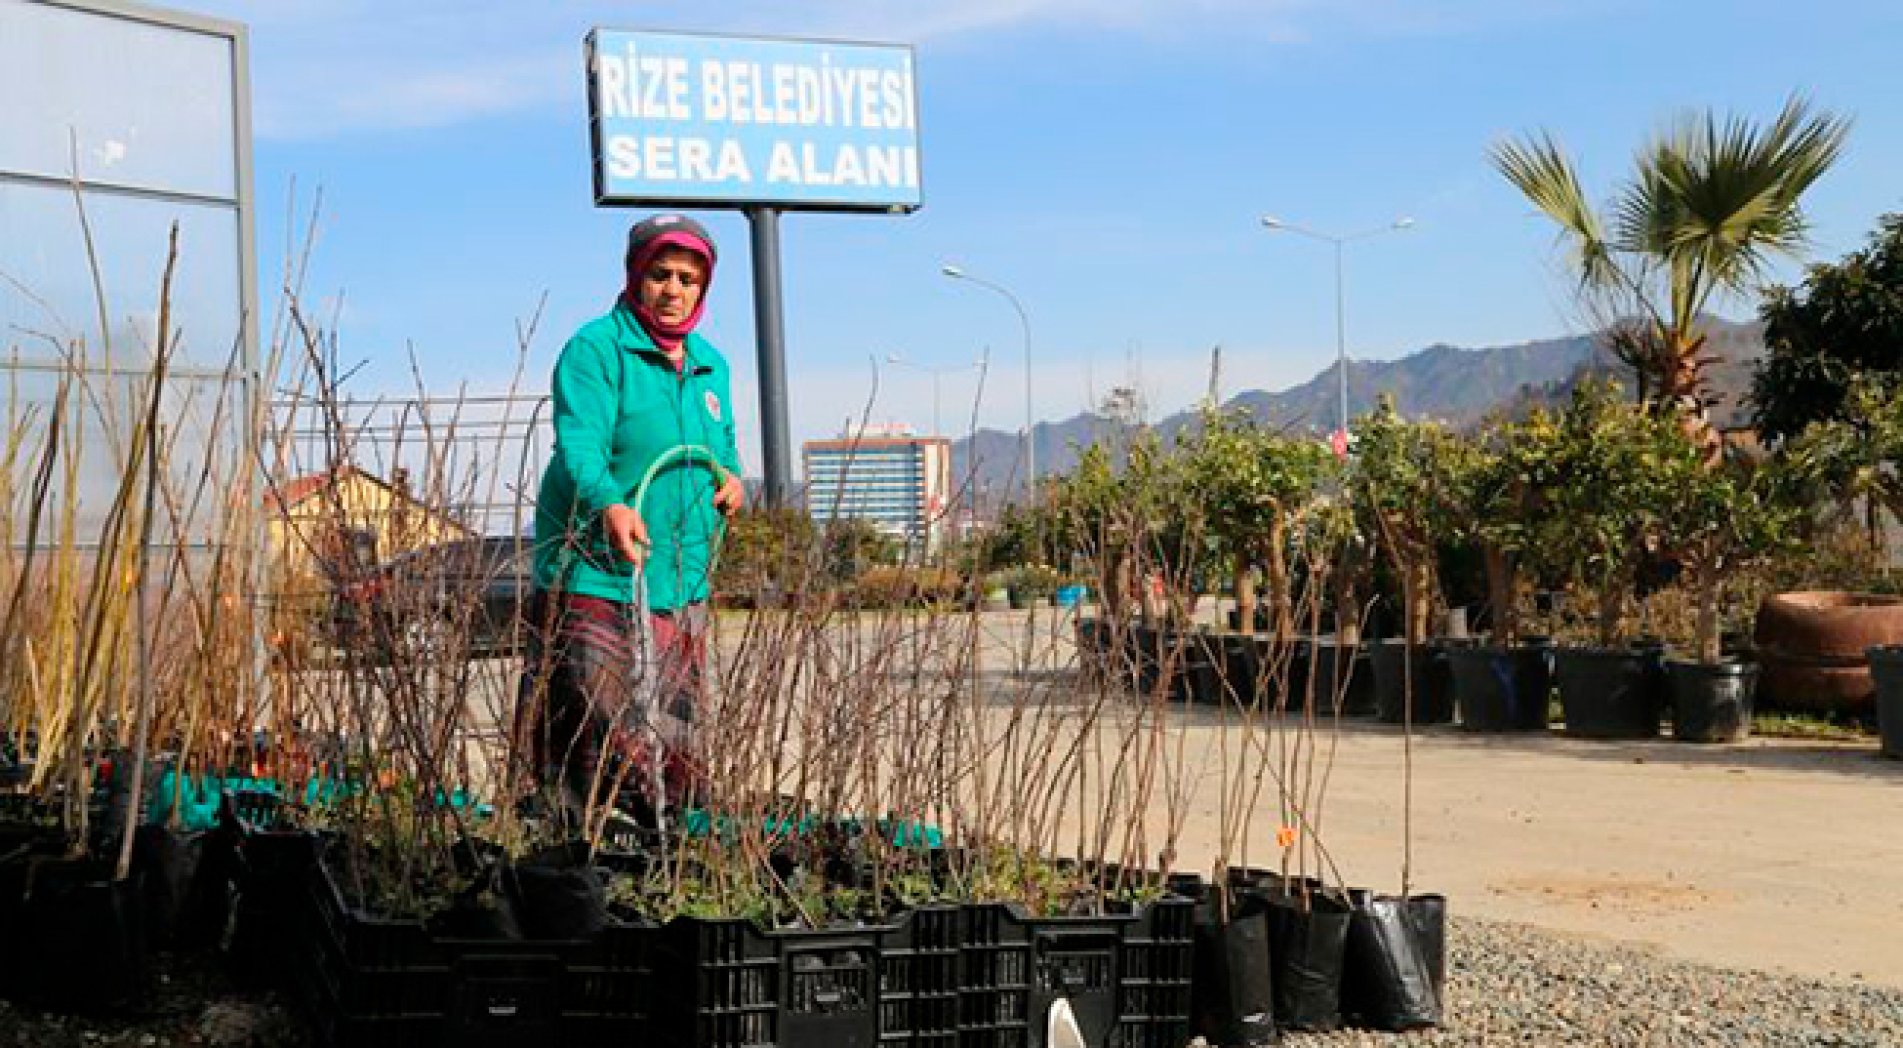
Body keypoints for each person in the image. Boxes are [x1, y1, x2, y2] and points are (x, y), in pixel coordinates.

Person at [520, 213, 743, 824]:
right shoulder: (596, 350)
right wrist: (611, 503)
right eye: (660, 274)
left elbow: (723, 445)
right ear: (635, 276)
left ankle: (668, 829)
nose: (674, 290)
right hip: (594, 567)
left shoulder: (710, 365)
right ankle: (573, 829)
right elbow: (580, 443)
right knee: (595, 705)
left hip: (680, 571)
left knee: (679, 719)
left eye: (688, 280)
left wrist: (730, 479)